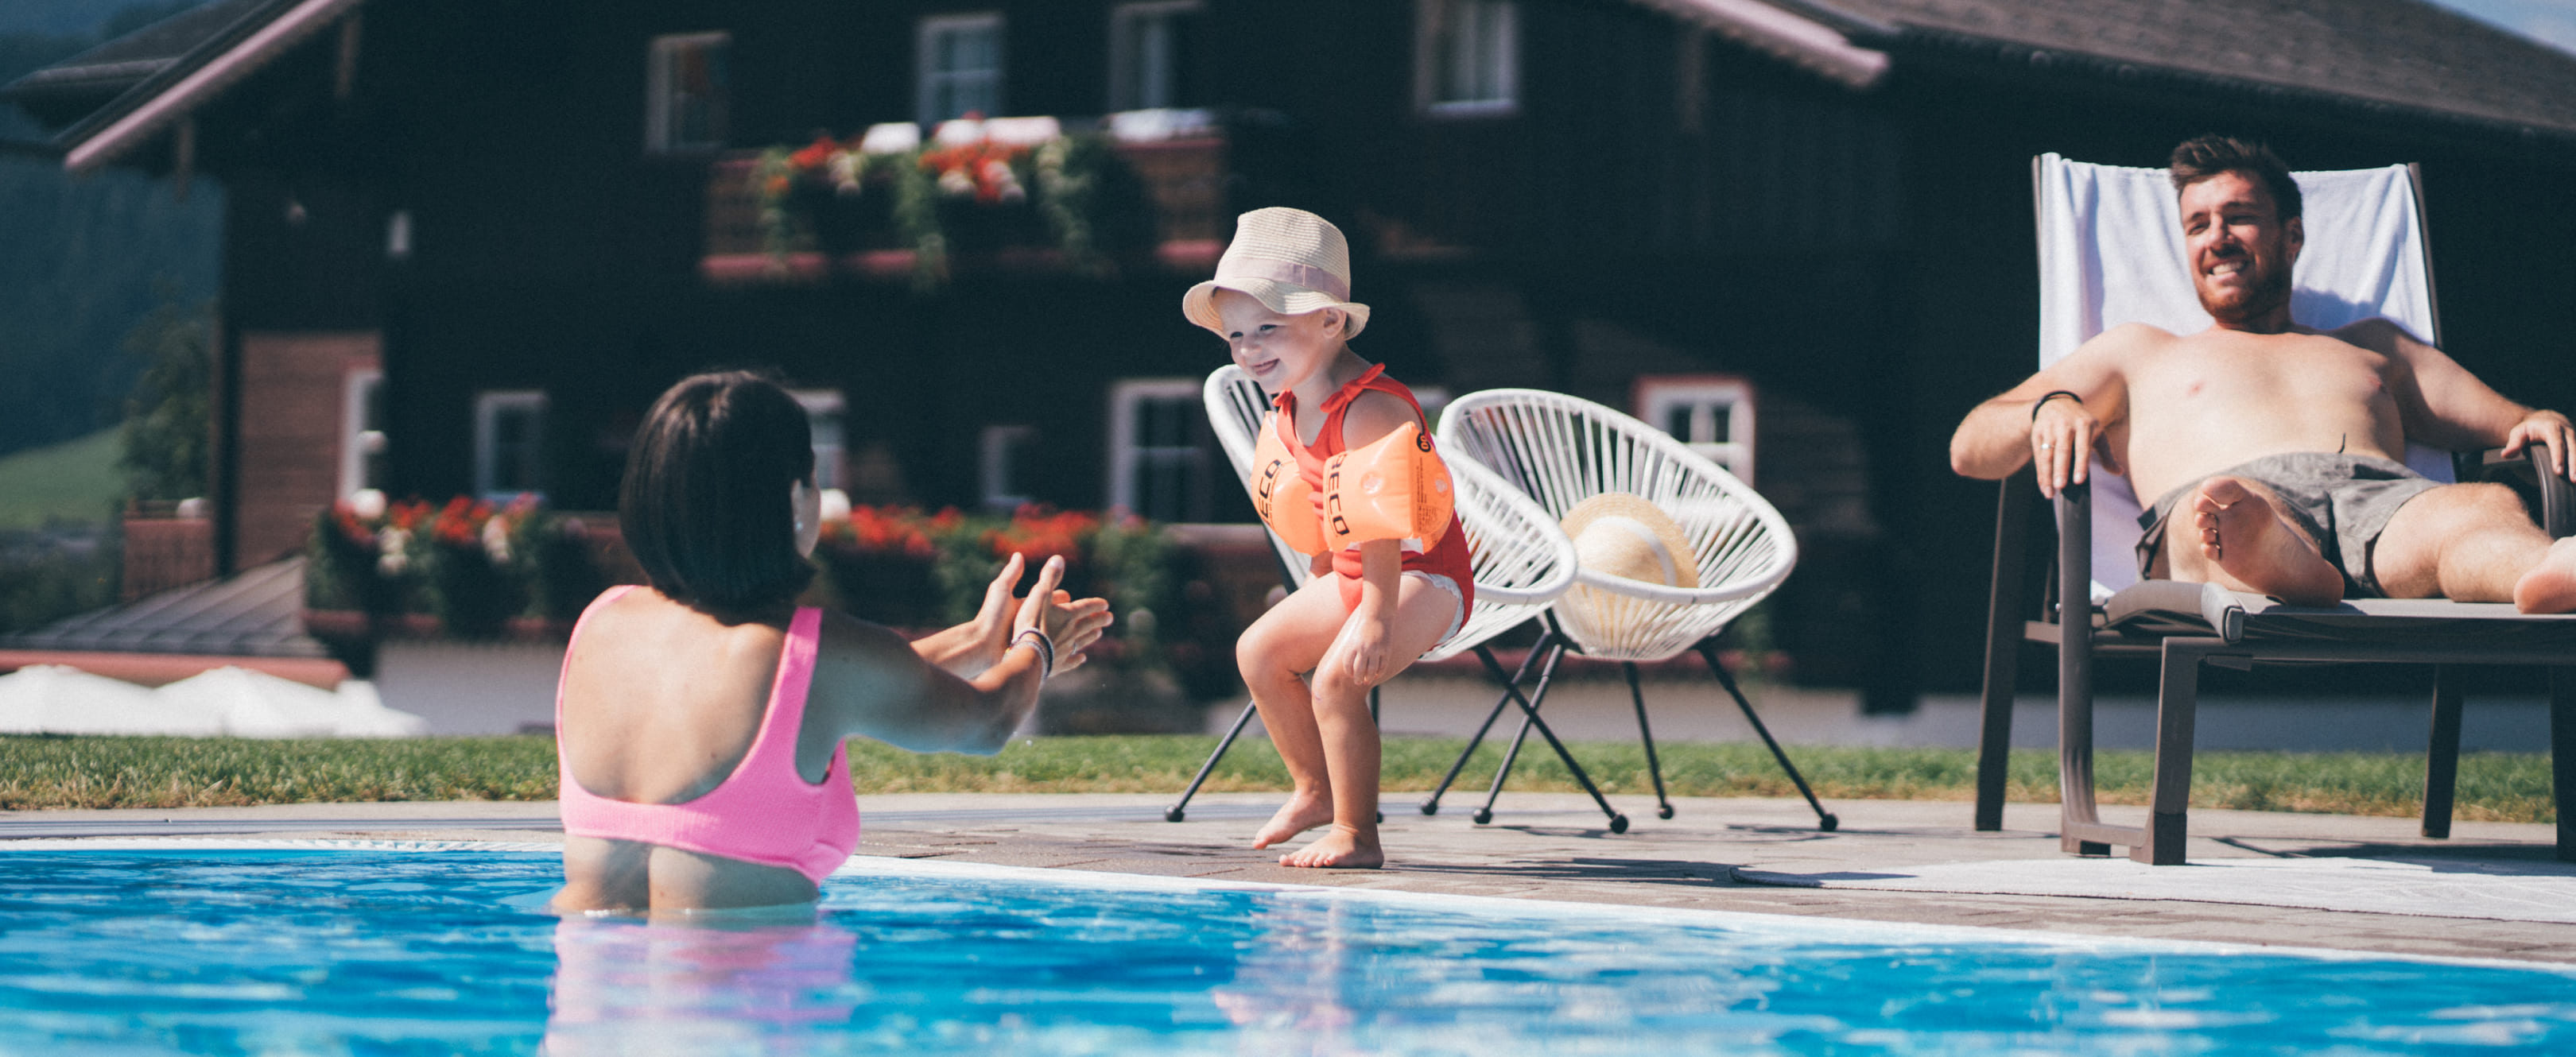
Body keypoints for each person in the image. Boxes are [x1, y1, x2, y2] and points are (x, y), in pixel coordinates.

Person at [549, 371, 1112, 912]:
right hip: (744, 1001)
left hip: (585, 986)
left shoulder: (604, 622)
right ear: (795, 499)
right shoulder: (819, 653)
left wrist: (974, 644)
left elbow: (786, 700)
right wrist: (1035, 644)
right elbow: (987, 724)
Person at [1949, 135, 2576, 612]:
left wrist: (2537, 420)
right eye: (2198, 225)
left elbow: (2512, 421)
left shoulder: (2374, 347)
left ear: (2292, 235)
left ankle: (2545, 570)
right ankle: (2281, 557)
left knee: (2477, 510)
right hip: (2225, 505)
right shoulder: (2138, 351)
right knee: (2226, 516)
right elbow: (1969, 446)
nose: (2216, 237)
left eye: (2239, 216)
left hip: (2384, 504)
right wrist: (2047, 407)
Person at [1185, 207, 1475, 869]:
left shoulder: (1370, 406)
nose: (1250, 349)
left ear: (1329, 321)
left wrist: (1372, 618)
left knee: (1338, 682)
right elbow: (1325, 516)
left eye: (1268, 329)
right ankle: (1314, 791)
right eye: (1235, 337)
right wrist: (1324, 583)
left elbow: (1377, 527)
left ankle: (1357, 834)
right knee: (1259, 651)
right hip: (1356, 572)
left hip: (1423, 576)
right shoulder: (1289, 403)